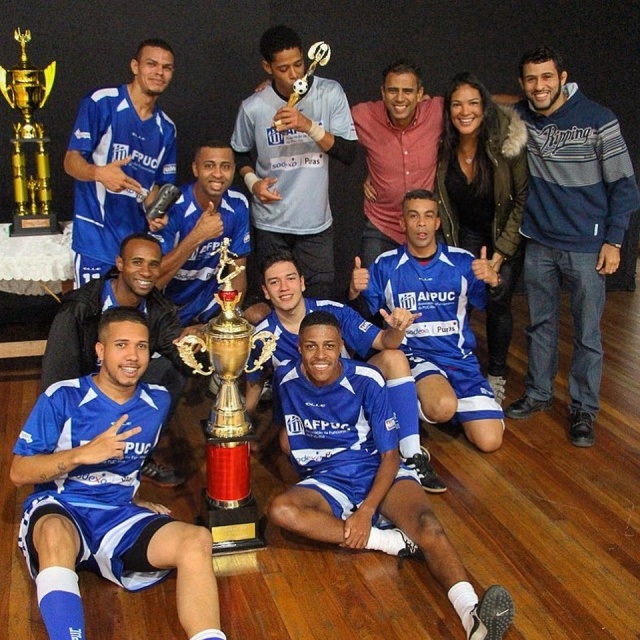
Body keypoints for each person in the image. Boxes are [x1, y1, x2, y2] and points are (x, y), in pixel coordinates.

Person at [269, 311, 515, 640]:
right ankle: (391, 542)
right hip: (328, 477)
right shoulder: (285, 379)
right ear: (299, 348)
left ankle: (472, 615)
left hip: (375, 468)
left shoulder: (367, 378)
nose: (320, 355)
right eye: (311, 346)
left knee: (428, 526)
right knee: (281, 510)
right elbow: (284, 428)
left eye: (329, 345)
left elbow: (390, 455)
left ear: (341, 346)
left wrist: (366, 510)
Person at [10, 307, 226, 640]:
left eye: (141, 346)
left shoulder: (158, 401)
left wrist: (133, 496)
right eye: (121, 345)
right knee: (53, 533)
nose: (133, 356)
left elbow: (130, 465)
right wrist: (82, 454)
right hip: (64, 507)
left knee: (196, 540)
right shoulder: (63, 396)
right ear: (101, 351)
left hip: (118, 515)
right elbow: (19, 472)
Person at [503, 46, 639, 447]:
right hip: (540, 242)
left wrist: (614, 241)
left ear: (563, 78)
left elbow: (625, 188)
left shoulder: (599, 119)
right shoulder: (524, 116)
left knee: (587, 333)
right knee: (540, 324)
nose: (539, 86)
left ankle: (583, 409)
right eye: (531, 79)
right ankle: (539, 393)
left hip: (587, 245)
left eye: (547, 77)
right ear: (522, 83)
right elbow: (490, 103)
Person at [246, 249, 446, 492]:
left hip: (350, 397)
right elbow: (254, 382)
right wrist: (240, 425)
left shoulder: (334, 311)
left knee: (394, 358)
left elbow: (385, 342)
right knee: (288, 443)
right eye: (274, 282)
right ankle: (339, 473)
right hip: (309, 412)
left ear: (302, 282)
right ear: (266, 291)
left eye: (290, 278)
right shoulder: (262, 336)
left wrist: (397, 328)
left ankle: (412, 454)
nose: (284, 287)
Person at [350, 189, 506, 453]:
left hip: (459, 360)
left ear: (437, 222)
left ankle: (447, 401)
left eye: (428, 216)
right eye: (413, 216)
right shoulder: (385, 265)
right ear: (402, 223)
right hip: (415, 358)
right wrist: (354, 291)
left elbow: (496, 309)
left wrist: (494, 282)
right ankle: (404, 398)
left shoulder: (462, 262)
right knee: (442, 406)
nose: (421, 223)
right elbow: (361, 317)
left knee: (490, 441)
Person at [41, 232, 189, 487]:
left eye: (153, 264)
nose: (146, 272)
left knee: (169, 373)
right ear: (120, 264)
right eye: (137, 262)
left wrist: (199, 344)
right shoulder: (79, 308)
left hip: (123, 386)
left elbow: (185, 359)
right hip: (86, 389)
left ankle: (139, 457)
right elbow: (57, 379)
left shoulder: (159, 308)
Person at [231, 24, 358, 299]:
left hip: (315, 223)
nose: (294, 74)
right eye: (283, 68)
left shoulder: (329, 93)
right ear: (267, 67)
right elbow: (239, 152)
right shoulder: (254, 106)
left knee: (319, 302)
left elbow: (348, 152)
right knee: (277, 300)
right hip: (271, 223)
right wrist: (253, 183)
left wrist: (307, 125)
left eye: (298, 64)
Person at [435, 72, 529, 403]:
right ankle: (456, 367)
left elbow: (521, 201)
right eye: (457, 104)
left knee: (497, 298)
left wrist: (500, 255)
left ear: (484, 107)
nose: (465, 111)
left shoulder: (506, 142)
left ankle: (497, 374)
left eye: (473, 103)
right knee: (457, 296)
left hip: (503, 230)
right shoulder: (443, 144)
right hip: (466, 232)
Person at [65, 38, 177, 286]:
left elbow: (156, 186)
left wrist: (156, 212)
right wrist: (99, 173)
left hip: (136, 249)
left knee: (130, 312)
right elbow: (71, 161)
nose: (159, 72)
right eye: (151, 64)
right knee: (93, 311)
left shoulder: (167, 128)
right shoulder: (102, 102)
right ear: (135, 66)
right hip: (96, 240)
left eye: (166, 67)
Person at [351, 59, 444, 266]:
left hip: (426, 226)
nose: (400, 98)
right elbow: (329, 125)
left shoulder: (436, 111)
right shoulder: (364, 116)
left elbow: (478, 104)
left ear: (419, 93)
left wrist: (519, 104)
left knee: (432, 286)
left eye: (407, 91)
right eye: (393, 90)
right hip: (381, 225)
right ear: (383, 92)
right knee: (372, 285)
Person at [153, 140, 251, 325]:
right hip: (167, 306)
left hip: (210, 305)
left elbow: (237, 272)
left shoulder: (238, 204)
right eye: (209, 166)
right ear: (195, 169)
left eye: (225, 166)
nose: (218, 174)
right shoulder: (173, 207)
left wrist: (229, 320)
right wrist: (198, 236)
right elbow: (153, 279)